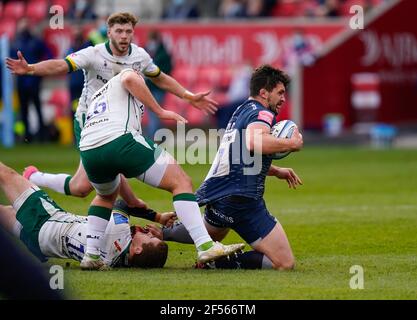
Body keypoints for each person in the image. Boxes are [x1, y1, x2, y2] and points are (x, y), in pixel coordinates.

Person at [6, 12, 217, 199]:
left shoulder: (139, 56)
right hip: (90, 121)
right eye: (119, 31)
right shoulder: (93, 54)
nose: (124, 36)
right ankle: (134, 206)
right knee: (91, 183)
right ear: (109, 32)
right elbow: (61, 65)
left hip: (118, 122)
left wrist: (188, 96)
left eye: (128, 31)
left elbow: (159, 77)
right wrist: (31, 68)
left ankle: (35, 176)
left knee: (81, 187)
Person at [77, 65, 244, 269]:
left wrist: (134, 202)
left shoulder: (98, 96)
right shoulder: (127, 74)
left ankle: (92, 256)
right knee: (180, 182)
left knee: (104, 196)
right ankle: (205, 245)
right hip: (118, 139)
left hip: (88, 150)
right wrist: (160, 111)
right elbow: (130, 79)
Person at [154, 65, 304, 270]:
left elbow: (239, 156)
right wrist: (292, 144)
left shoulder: (241, 111)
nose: (283, 98)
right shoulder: (263, 114)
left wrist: (276, 171)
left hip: (221, 197)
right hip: (243, 202)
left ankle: (160, 233)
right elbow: (254, 143)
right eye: (280, 93)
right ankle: (221, 261)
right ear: (263, 93)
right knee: (285, 263)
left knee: (214, 231)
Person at [0, 161, 175, 270]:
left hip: (46, 221)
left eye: (150, 239)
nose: (150, 233)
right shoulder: (118, 261)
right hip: (42, 245)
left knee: (6, 175)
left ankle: (36, 177)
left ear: (137, 250)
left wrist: (157, 217)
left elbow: (121, 203)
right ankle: (36, 177)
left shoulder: (119, 232)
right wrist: (146, 234)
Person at [10, 18, 52, 143]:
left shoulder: (36, 42)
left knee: (38, 109)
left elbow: (48, 55)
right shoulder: (16, 43)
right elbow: (10, 60)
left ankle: (42, 136)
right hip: (21, 83)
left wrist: (40, 69)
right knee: (24, 111)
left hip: (34, 81)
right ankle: (27, 136)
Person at [144, 30, 173, 138]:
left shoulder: (163, 54)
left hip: (158, 89)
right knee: (155, 115)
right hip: (148, 88)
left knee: (155, 115)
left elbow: (168, 70)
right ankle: (159, 137)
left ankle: (153, 138)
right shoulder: (145, 51)